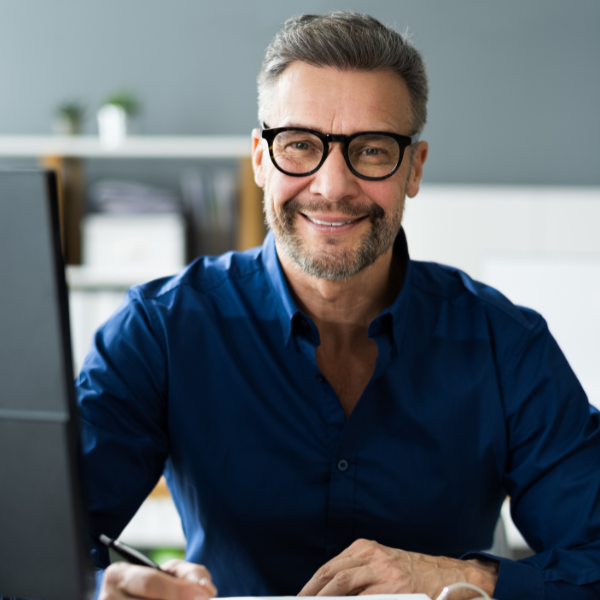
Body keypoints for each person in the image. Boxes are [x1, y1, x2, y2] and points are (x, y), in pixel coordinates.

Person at [82, 12, 600, 600]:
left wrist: (461, 575)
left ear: (414, 168)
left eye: (372, 150)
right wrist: (107, 588)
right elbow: (38, 541)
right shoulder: (159, 331)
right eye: (300, 144)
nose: (332, 186)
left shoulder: (507, 345)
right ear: (259, 157)